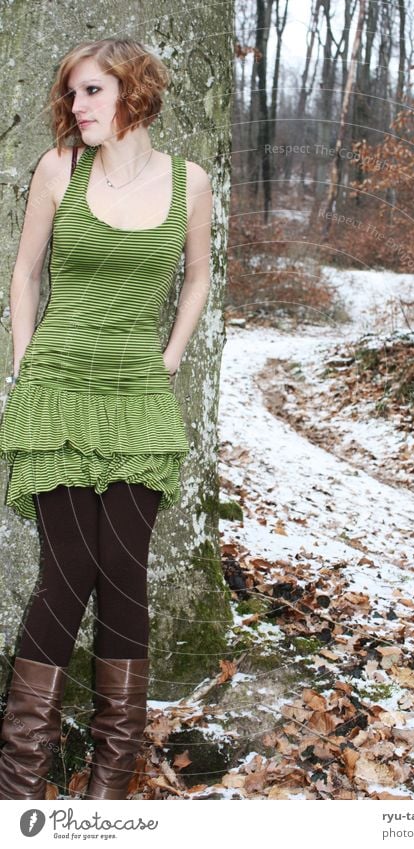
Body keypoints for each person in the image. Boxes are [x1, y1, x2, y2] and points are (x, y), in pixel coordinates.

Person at [0, 38, 213, 800]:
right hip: (57, 389)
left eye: (90, 92)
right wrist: (27, 366)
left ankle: (108, 792)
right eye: (71, 95)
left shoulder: (189, 183)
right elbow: (24, 274)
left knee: (123, 569)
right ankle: (19, 788)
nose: (76, 107)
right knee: (68, 573)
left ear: (134, 91)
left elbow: (196, 277)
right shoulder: (59, 169)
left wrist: (173, 354)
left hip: (137, 393)